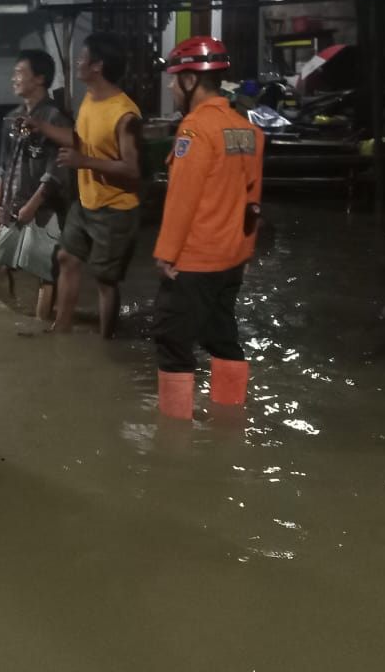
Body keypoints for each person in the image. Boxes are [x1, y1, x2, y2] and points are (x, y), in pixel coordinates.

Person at [149, 37, 264, 418]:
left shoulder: (195, 130)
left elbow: (183, 198)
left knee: (172, 339)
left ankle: (174, 433)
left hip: (194, 261)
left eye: (174, 78)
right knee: (221, 336)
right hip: (231, 257)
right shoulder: (244, 129)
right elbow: (254, 199)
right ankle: (230, 416)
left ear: (189, 82)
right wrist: (246, 251)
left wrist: (166, 253)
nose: (170, 85)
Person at [27, 33, 141, 337]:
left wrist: (85, 162)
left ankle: (107, 342)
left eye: (83, 58)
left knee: (105, 281)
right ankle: (61, 329)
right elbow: (80, 141)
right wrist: (41, 126)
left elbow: (133, 170)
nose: (78, 63)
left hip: (116, 209)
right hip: (86, 202)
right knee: (66, 257)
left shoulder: (124, 113)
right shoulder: (90, 99)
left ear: (98, 66)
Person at [0, 50, 71, 320]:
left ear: (40, 78)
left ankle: (39, 327)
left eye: (20, 73)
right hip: (11, 205)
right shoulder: (12, 118)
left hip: (45, 210)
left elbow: (56, 169)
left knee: (44, 273)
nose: (14, 79)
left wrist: (34, 204)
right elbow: (4, 165)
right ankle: (14, 318)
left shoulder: (55, 118)